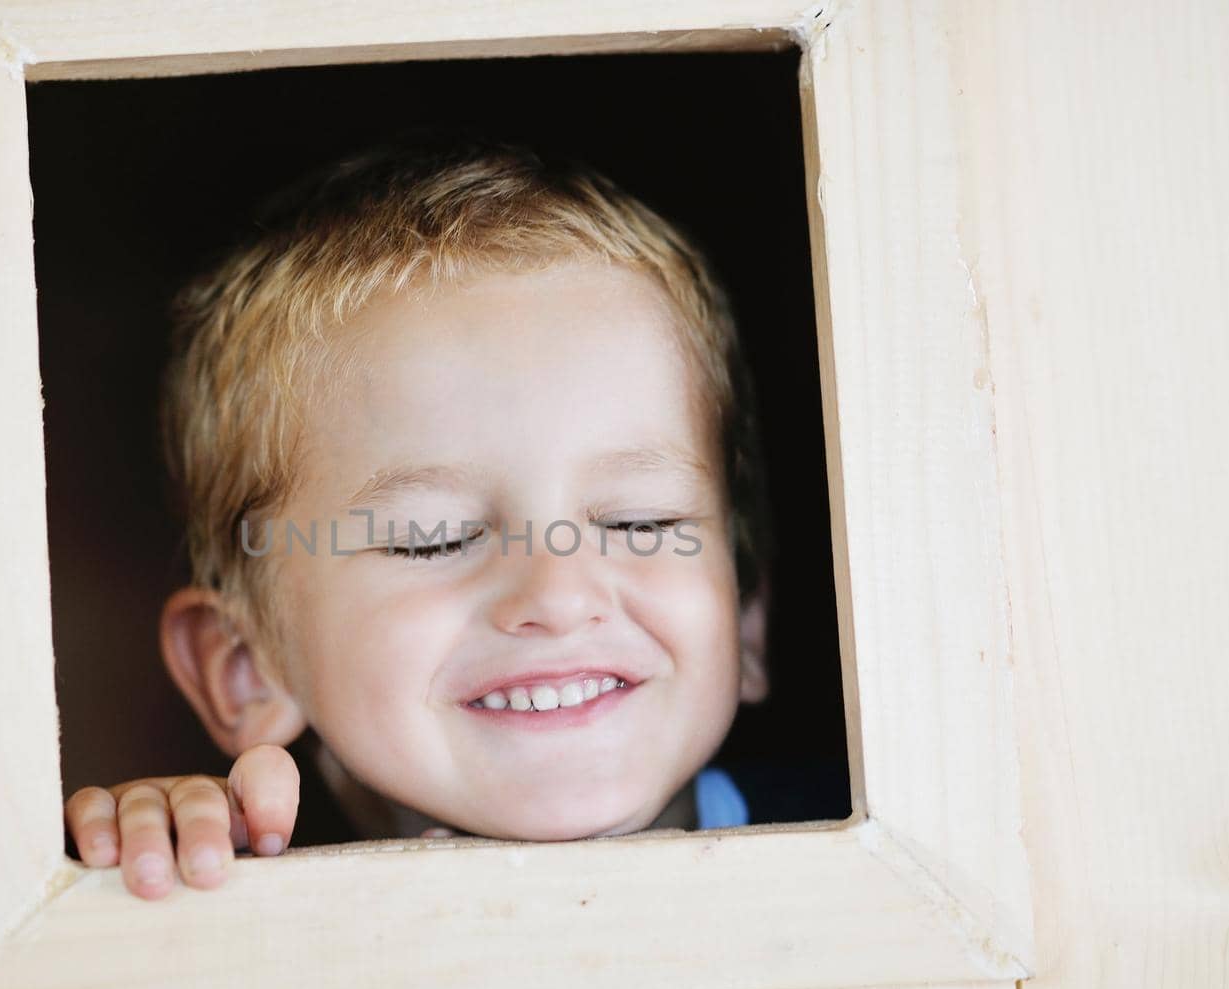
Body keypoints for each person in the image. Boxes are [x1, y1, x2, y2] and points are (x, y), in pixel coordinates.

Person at [64, 134, 773, 900]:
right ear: (246, 669)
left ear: (747, 613)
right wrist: (160, 870)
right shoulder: (245, 902)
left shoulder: (897, 839)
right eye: (435, 538)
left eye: (642, 524)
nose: (558, 596)